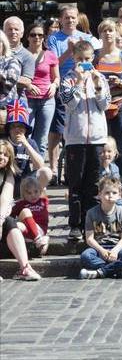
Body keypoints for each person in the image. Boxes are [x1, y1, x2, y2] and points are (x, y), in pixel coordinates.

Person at [61, 40, 110, 242]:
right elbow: (69, 104)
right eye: (80, 59)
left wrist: (97, 86)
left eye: (87, 59)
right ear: (74, 59)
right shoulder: (68, 78)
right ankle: (75, 225)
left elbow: (105, 105)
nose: (83, 63)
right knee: (76, 184)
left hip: (97, 139)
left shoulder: (100, 78)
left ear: (93, 59)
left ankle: (93, 224)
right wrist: (79, 83)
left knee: (94, 185)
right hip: (75, 139)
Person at [45, 5, 100, 179]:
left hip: (86, 87)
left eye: (73, 17)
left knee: (78, 131)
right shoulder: (53, 39)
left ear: (78, 19)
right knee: (57, 131)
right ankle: (54, 170)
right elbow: (53, 64)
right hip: (63, 86)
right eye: (66, 17)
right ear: (61, 20)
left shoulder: (87, 38)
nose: (70, 20)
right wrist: (70, 51)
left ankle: (72, 171)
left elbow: (94, 61)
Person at [79, 175, 122, 279]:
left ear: (119, 195)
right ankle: (118, 271)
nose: (110, 196)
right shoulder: (91, 213)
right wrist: (101, 250)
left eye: (114, 193)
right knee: (86, 256)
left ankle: (100, 272)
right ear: (99, 194)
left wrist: (115, 250)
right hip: (98, 248)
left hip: (116, 247)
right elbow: (89, 239)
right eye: (106, 193)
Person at [0, 138, 41, 279]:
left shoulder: (8, 175)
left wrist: (0, 220)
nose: (2, 157)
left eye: (5, 155)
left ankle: (25, 268)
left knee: (10, 222)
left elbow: (5, 200)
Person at [95, 20, 122, 172]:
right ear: (100, 34)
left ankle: (120, 176)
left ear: (116, 33)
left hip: (121, 103)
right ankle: (100, 176)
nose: (108, 33)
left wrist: (120, 82)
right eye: (104, 31)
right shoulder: (95, 56)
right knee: (100, 142)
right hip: (99, 105)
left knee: (120, 143)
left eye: (111, 30)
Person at [24, 23, 58, 159]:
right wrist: (28, 85)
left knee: (42, 139)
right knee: (26, 135)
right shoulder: (22, 54)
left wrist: (54, 85)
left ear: (44, 37)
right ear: (27, 37)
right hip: (27, 99)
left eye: (40, 35)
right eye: (33, 35)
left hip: (47, 101)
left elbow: (56, 78)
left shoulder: (50, 55)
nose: (37, 38)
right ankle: (24, 166)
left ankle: (38, 169)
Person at [11, 173, 50, 255]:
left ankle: (38, 238)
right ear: (23, 195)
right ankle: (40, 240)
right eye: (29, 193)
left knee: (26, 211)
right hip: (27, 232)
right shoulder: (21, 203)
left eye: (36, 191)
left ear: (40, 191)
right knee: (16, 225)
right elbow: (10, 215)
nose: (33, 195)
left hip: (40, 229)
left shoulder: (43, 201)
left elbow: (44, 180)